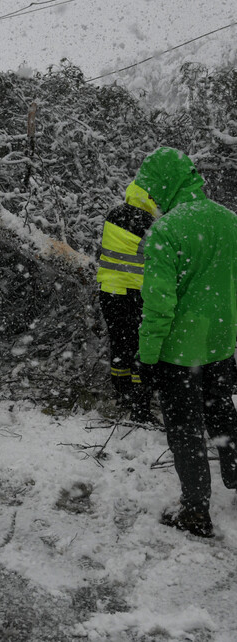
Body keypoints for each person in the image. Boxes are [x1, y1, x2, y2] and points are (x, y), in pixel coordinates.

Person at [135, 146, 237, 538]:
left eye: (153, 189)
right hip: (220, 342)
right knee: (222, 412)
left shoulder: (166, 230)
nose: (153, 199)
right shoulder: (230, 220)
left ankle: (195, 512)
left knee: (184, 427)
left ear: (165, 184)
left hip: (179, 350)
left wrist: (147, 355)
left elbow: (158, 304)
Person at [96, 181, 159, 425]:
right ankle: (140, 408)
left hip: (109, 291)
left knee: (119, 344)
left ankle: (122, 395)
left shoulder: (114, 214)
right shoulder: (149, 224)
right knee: (140, 348)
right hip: (135, 293)